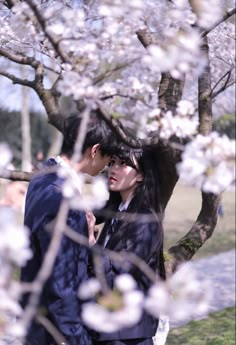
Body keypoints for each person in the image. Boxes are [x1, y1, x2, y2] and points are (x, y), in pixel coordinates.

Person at [20, 113, 119, 345]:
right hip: (54, 332)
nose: (108, 165)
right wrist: (78, 339)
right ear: (94, 150)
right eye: (109, 158)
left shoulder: (44, 177)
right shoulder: (62, 198)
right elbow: (61, 285)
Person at [90, 142, 166, 345]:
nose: (113, 168)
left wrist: (90, 243)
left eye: (123, 163)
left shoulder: (144, 221)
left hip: (129, 336)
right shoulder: (116, 213)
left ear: (141, 175)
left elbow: (122, 274)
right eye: (112, 162)